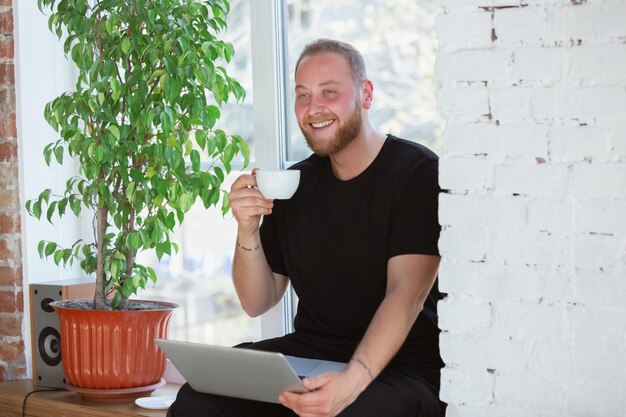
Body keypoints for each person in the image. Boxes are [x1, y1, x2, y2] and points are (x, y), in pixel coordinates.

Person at [168, 38, 445, 417]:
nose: (314, 108)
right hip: (310, 355)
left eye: (329, 91)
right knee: (197, 401)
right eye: (302, 95)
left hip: (401, 368)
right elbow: (257, 301)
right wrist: (247, 229)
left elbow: (407, 292)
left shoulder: (417, 173)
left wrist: (352, 380)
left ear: (365, 94)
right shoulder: (295, 184)